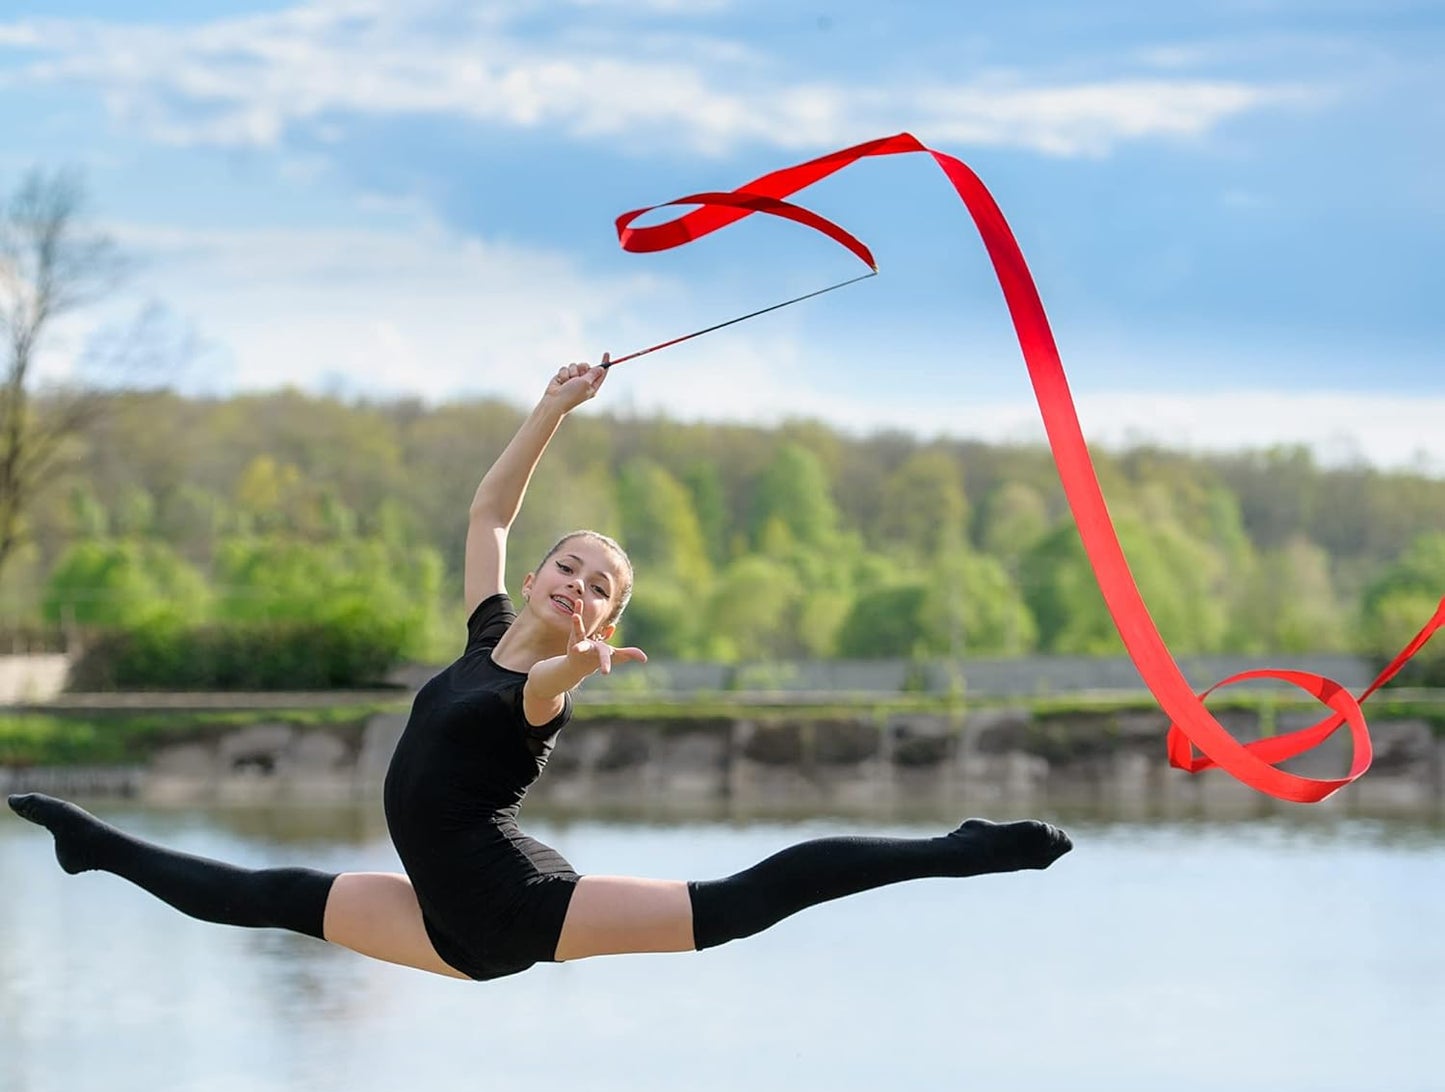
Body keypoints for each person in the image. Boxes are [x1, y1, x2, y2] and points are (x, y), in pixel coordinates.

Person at [7, 357, 1073, 983]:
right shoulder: (484, 633)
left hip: (511, 905)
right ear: (541, 574)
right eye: (569, 564)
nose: (576, 581)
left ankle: (962, 849)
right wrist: (552, 408)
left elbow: (540, 698)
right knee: (264, 892)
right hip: (442, 914)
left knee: (748, 896)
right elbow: (489, 511)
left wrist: (581, 663)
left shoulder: (540, 685)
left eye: (600, 583)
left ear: (607, 616)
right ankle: (92, 845)